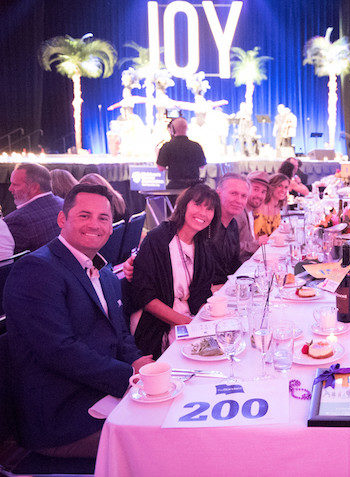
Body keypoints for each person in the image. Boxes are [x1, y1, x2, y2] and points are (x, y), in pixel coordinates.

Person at [4, 184, 151, 457]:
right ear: (62, 219)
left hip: (99, 392)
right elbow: (59, 351)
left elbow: (120, 334)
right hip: (61, 416)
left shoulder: (104, 272)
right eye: (84, 215)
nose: (94, 224)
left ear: (110, 227)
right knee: (156, 438)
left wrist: (139, 363)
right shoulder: (37, 270)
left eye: (103, 218)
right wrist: (130, 377)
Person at [129, 184, 220, 358]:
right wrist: (190, 324)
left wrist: (207, 322)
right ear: (184, 205)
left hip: (190, 320)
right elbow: (145, 297)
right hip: (157, 325)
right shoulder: (158, 238)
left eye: (209, 209)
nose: (202, 213)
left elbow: (202, 293)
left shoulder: (203, 246)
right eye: (198, 204)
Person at [3, 163, 63, 254]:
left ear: (34, 187)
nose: (10, 189)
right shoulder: (64, 203)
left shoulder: (16, 220)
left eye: (15, 184)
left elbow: (9, 263)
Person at [210, 173, 253, 284]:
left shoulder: (233, 224)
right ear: (218, 193)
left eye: (243, 196)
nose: (239, 200)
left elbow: (234, 264)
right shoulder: (207, 225)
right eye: (233, 193)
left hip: (229, 288)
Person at [156, 117, 207, 190]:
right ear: (186, 128)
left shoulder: (167, 146)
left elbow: (161, 168)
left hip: (175, 186)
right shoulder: (196, 146)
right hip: (194, 187)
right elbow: (202, 166)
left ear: (172, 129)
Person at [235, 171, 270, 261]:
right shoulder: (239, 213)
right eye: (255, 189)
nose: (259, 195)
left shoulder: (250, 212)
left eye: (263, 192)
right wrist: (257, 243)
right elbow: (232, 248)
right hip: (239, 268)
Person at [254, 173, 289, 238]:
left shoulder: (277, 206)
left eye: (286, 187)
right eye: (280, 186)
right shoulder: (260, 206)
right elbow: (252, 235)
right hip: (258, 247)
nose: (283, 190)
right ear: (272, 186)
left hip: (270, 246)